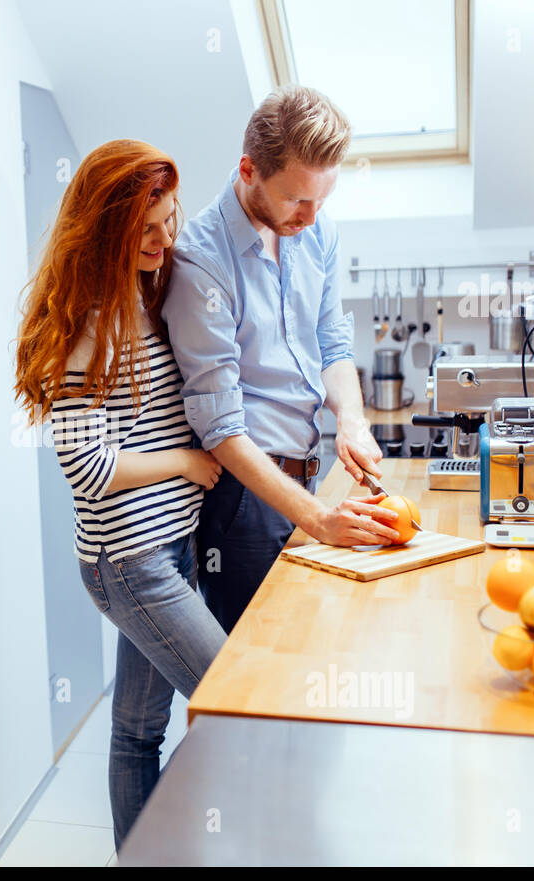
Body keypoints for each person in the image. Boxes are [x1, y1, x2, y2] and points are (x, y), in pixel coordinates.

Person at [14, 140, 227, 849]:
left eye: (172, 221)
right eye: (148, 229)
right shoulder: (91, 326)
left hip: (166, 547)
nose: (166, 241)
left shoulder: (139, 294)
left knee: (139, 730)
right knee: (236, 701)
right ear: (107, 229)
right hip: (128, 560)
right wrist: (186, 464)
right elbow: (90, 468)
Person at [164, 85, 401, 635]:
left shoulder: (315, 231)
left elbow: (332, 340)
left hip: (307, 473)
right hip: (243, 501)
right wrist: (317, 519)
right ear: (249, 170)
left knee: (310, 647)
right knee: (262, 668)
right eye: (297, 199)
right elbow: (220, 429)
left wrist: (351, 419)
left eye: (323, 200)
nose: (312, 217)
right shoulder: (201, 262)